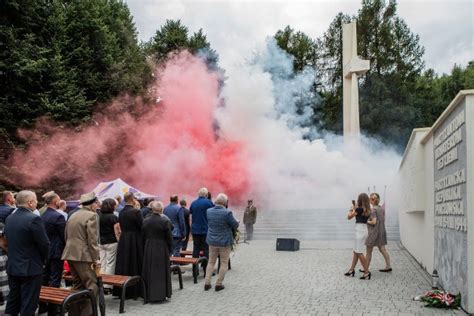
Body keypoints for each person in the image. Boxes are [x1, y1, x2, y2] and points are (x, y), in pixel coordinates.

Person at [4, 190, 50, 315]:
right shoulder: (34, 219)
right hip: (30, 268)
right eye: (35, 200)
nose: (36, 203)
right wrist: (44, 260)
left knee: (13, 301)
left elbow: (6, 241)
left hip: (13, 266)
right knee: (29, 304)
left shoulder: (9, 218)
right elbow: (44, 244)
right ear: (30, 203)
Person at [61, 192, 100, 316]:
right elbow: (92, 240)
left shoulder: (73, 215)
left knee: (77, 285)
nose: (97, 205)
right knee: (92, 286)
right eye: (96, 203)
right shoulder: (92, 216)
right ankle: (88, 313)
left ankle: (74, 313)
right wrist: (96, 258)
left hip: (71, 253)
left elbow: (66, 235)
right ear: (93, 204)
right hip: (84, 255)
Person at [204, 193, 239, 291]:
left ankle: (207, 283)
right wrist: (237, 222)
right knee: (224, 263)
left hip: (212, 240)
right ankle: (218, 284)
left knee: (211, 262)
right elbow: (235, 225)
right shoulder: (227, 213)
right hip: (224, 242)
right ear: (225, 203)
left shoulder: (209, 211)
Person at [142, 201, 173, 302]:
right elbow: (169, 237)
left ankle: (148, 293)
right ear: (161, 209)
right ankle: (161, 294)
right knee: (161, 270)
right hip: (161, 246)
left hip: (149, 246)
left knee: (149, 269)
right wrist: (170, 249)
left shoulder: (146, 220)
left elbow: (143, 235)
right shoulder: (164, 221)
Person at [115, 192, 143, 298]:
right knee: (135, 262)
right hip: (135, 239)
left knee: (124, 262)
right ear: (132, 199)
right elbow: (142, 226)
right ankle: (135, 289)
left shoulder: (121, 212)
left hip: (124, 239)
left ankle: (123, 289)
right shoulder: (136, 211)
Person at [345, 193, 371, 280]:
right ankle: (351, 270)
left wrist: (351, 209)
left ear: (360, 200)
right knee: (356, 251)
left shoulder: (359, 209)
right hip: (364, 230)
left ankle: (366, 273)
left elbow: (349, 217)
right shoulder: (368, 209)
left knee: (359, 252)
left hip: (359, 231)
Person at [366, 193, 392, 272]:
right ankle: (388, 266)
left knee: (369, 251)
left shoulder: (373, 210)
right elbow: (383, 220)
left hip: (374, 233)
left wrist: (367, 221)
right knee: (382, 249)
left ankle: (365, 268)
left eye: (371, 199)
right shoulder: (381, 209)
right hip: (381, 231)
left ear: (372, 200)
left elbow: (373, 222)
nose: (370, 200)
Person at [98, 198, 119, 294]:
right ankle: (108, 285)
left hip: (100, 242)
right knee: (110, 263)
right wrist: (119, 241)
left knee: (102, 263)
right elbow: (117, 232)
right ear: (112, 206)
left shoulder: (98, 216)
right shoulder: (113, 217)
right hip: (111, 242)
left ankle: (101, 283)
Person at [190, 187, 214, 271]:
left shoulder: (193, 203)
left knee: (195, 249)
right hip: (205, 229)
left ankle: (194, 269)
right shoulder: (209, 202)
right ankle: (206, 269)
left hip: (195, 230)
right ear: (206, 194)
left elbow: (191, 213)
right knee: (205, 249)